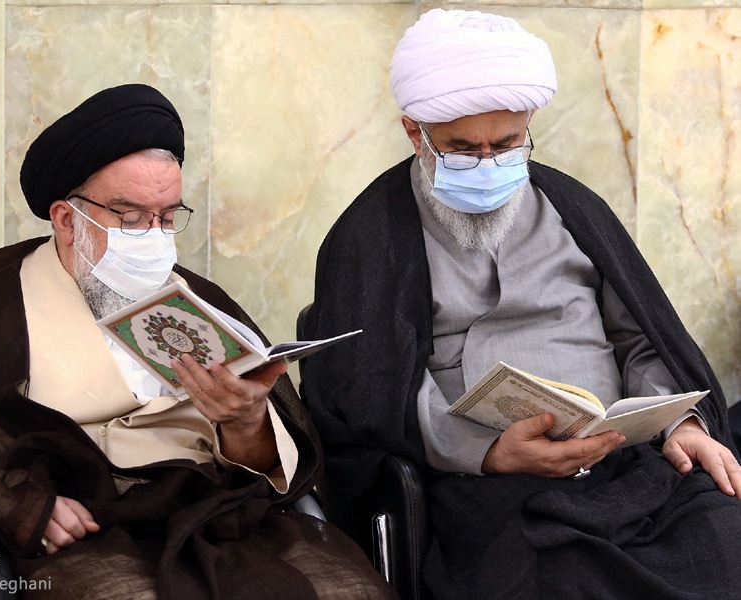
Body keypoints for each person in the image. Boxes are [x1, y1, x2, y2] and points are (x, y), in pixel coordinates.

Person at [0, 83, 395, 600]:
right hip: (85, 527)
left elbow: (265, 464)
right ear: (66, 219)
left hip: (214, 515)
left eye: (168, 217)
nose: (153, 235)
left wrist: (243, 422)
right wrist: (21, 508)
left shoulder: (199, 297)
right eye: (130, 218)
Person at [302, 9, 741, 600]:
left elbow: (643, 339)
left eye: (507, 144)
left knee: (724, 537)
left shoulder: (574, 209)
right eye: (462, 149)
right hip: (488, 482)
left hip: (628, 460)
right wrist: (485, 453)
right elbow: (365, 393)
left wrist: (677, 422)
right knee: (564, 573)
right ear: (416, 134)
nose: (487, 163)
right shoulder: (370, 235)